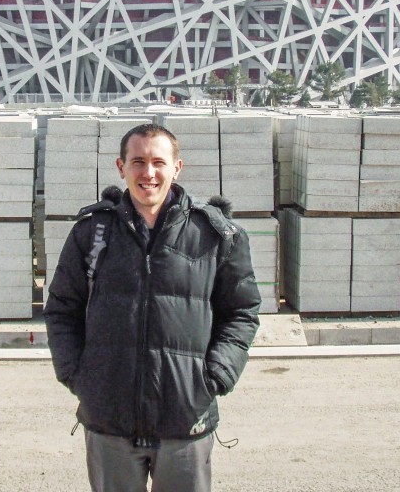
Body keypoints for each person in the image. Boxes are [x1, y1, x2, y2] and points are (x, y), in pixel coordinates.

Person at [44, 122, 261, 491]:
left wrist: (214, 377)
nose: (148, 173)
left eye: (158, 162)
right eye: (138, 161)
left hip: (186, 418)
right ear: (121, 167)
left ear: (177, 168)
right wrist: (78, 376)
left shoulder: (216, 235)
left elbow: (242, 312)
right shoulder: (92, 234)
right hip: (109, 419)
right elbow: (62, 310)